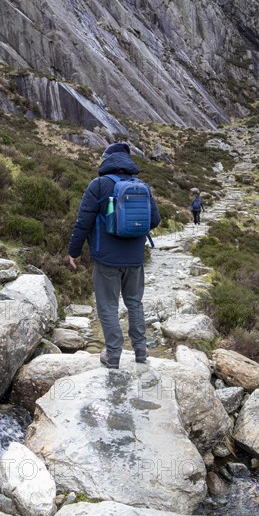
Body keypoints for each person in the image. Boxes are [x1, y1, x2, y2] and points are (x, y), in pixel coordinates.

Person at [68, 142, 161, 369]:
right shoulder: (142, 186)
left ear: (107, 160)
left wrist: (74, 251)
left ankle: (113, 353)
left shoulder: (98, 185)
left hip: (106, 259)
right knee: (134, 302)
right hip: (135, 258)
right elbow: (155, 220)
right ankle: (141, 349)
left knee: (108, 305)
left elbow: (83, 223)